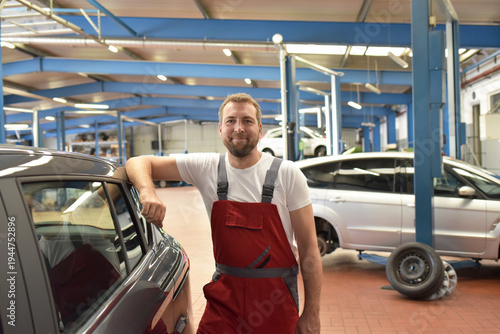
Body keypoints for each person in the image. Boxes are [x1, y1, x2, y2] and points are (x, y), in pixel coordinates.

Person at [125, 93, 322, 333]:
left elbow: (310, 247)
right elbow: (137, 162)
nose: (239, 128)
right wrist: (147, 192)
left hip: (276, 303)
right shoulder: (207, 167)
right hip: (224, 303)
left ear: (260, 129)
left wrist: (311, 312)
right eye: (231, 121)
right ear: (220, 129)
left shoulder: (287, 174)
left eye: (247, 121)